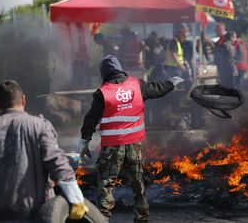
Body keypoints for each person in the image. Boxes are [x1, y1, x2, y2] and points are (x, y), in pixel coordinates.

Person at [78, 55, 184, 222]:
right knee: (137, 184)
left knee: (106, 186)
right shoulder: (137, 85)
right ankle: (142, 218)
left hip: (112, 148)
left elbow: (90, 120)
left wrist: (84, 142)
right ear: (120, 69)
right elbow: (158, 89)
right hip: (134, 145)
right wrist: (172, 82)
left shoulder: (103, 93)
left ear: (104, 73)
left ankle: (102, 220)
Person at [0, 80, 88, 220]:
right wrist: (76, 198)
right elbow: (56, 161)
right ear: (23, 100)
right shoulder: (39, 126)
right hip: (33, 212)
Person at [214, 23, 236, 87]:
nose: (217, 31)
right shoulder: (218, 40)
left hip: (228, 68)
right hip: (222, 68)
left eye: (219, 29)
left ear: (223, 29)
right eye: (216, 29)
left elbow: (231, 54)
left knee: (229, 85)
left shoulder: (227, 38)